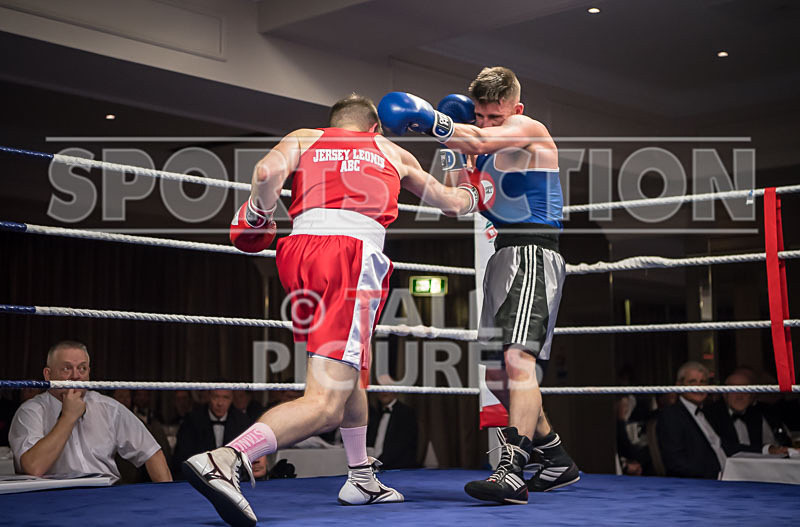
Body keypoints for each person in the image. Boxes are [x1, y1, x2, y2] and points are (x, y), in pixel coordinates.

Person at [182, 93, 478, 526]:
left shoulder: (306, 137)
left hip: (299, 256)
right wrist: (472, 176)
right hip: (350, 259)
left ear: (334, 123)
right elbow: (455, 204)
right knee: (324, 404)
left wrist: (260, 213)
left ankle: (360, 477)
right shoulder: (391, 151)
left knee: (348, 372)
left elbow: (265, 172)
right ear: (374, 128)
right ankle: (226, 458)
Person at [379, 66, 578, 504]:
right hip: (502, 258)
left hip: (532, 250)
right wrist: (412, 170)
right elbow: (455, 202)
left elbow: (479, 139)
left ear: (514, 109)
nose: (488, 123)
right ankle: (557, 458)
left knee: (516, 359)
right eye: (481, 116)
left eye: (495, 115)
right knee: (495, 372)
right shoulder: (481, 154)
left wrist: (432, 118)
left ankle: (512, 469)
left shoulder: (528, 129)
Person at [8, 341, 172, 484]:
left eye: (82, 368)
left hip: (107, 494)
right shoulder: (31, 412)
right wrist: (68, 418)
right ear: (48, 375)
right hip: (54, 499)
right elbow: (33, 468)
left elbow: (152, 453)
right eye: (67, 368)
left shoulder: (108, 407)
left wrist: (167, 499)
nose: (76, 376)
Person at [656, 361, 727, 479]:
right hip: (701, 485)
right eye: (692, 382)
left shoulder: (708, 412)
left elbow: (721, 444)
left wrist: (764, 449)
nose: (698, 386)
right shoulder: (671, 415)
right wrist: (717, 476)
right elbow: (676, 463)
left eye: (703, 382)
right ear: (679, 386)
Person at [704, 368, 790, 456]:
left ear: (752, 396)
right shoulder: (710, 415)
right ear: (725, 394)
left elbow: (772, 442)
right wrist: (765, 450)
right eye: (734, 391)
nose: (740, 396)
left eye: (745, 391)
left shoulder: (756, 414)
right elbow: (721, 447)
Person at [172, 389, 250, 476]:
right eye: (216, 397)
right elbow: (183, 458)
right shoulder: (192, 420)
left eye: (226, 397)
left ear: (232, 399)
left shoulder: (242, 421)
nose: (220, 403)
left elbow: (245, 460)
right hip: (199, 477)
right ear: (209, 397)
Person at [367, 392, 418, 469]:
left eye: (387, 387)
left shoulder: (406, 412)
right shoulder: (375, 413)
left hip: (398, 469)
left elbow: (401, 444)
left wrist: (378, 463)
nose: (384, 392)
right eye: (381, 388)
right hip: (376, 468)